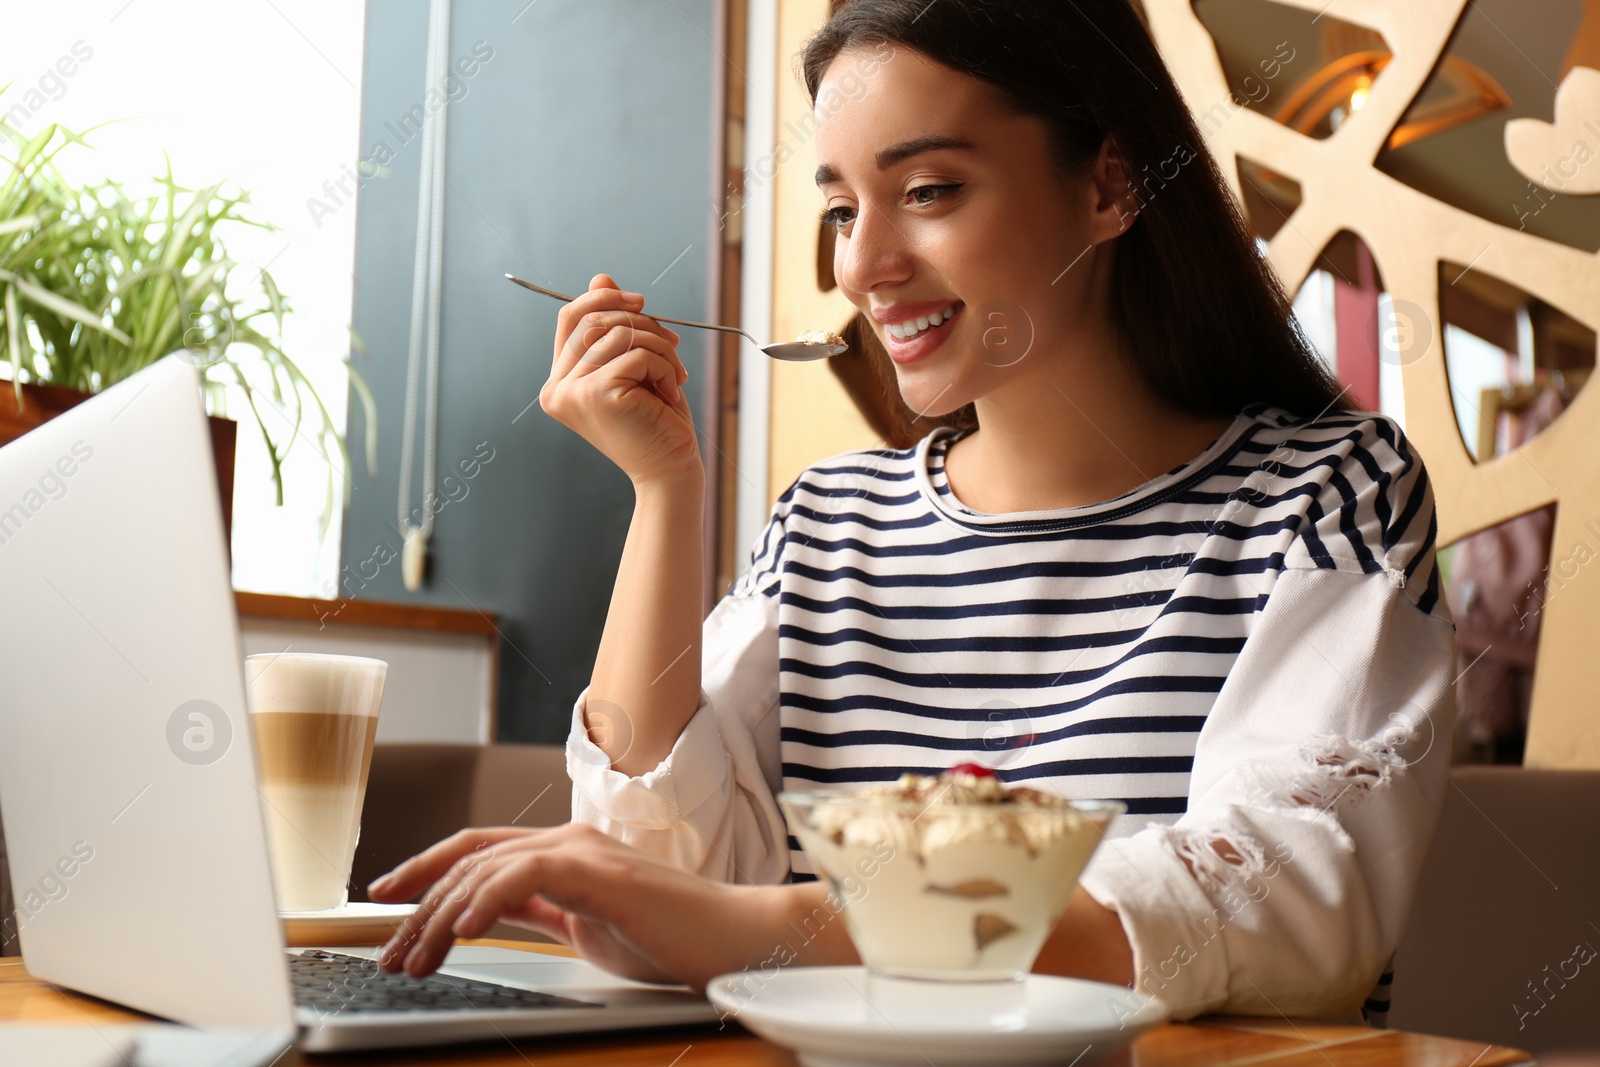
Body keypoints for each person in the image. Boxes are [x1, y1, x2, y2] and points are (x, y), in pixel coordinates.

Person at [372, 0, 1455, 1024]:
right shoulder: (827, 524)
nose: (863, 265)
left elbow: (1285, 901)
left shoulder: (1326, 495)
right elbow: (656, 887)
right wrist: (663, 488)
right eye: (842, 208)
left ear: (1110, 186)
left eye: (928, 190)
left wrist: (762, 926)